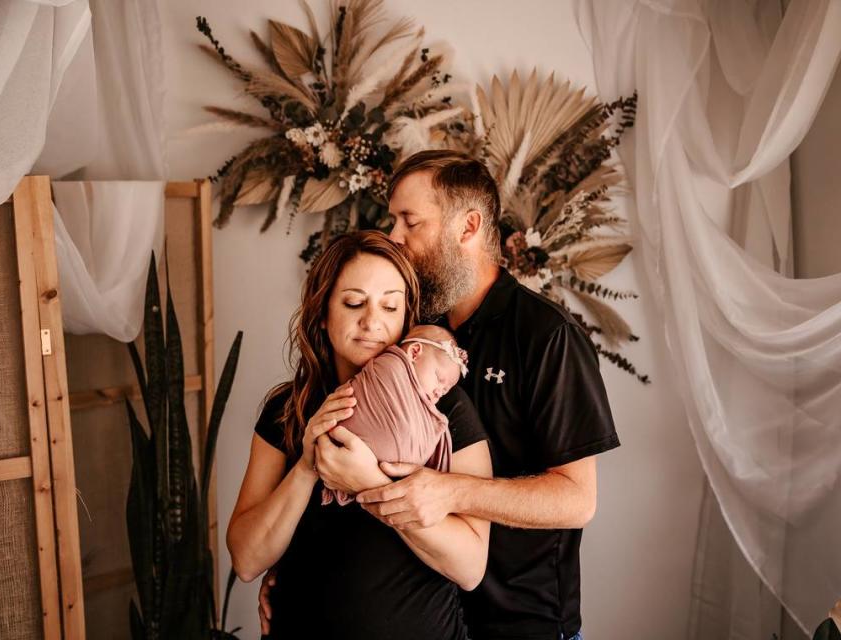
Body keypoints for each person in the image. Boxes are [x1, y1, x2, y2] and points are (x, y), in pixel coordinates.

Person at [260, 150, 619, 640]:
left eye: (410, 221)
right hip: (435, 613)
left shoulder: (546, 336)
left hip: (519, 621)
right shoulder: (409, 329)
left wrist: (450, 490)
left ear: (467, 227)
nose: (394, 237)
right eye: (393, 221)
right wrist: (299, 575)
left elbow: (577, 500)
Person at [228, 230, 492, 640]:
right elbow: (246, 560)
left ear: (407, 318)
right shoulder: (288, 408)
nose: (373, 322)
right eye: (354, 303)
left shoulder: (445, 410)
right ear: (322, 313)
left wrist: (370, 483)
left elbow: (470, 567)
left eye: (390, 305)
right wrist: (307, 467)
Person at [321, 324, 468, 506]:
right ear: (414, 353)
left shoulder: (452, 408)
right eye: (439, 379)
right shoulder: (390, 367)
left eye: (445, 391)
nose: (439, 392)